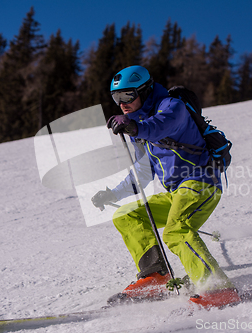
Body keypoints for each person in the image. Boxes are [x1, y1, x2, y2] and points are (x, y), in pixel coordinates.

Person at [91, 65, 240, 309]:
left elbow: (159, 126)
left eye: (128, 95)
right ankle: (155, 275)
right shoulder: (138, 125)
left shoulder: (171, 107)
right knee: (126, 215)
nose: (122, 103)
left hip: (201, 183)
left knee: (175, 230)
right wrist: (113, 194)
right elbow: (143, 169)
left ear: (146, 90)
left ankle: (218, 288)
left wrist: (134, 127)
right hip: (176, 193)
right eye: (116, 98)